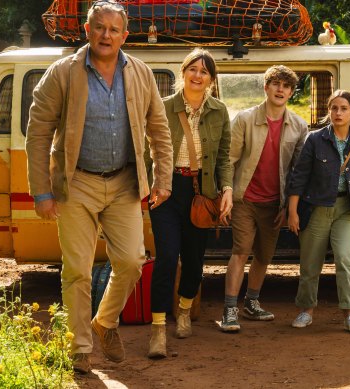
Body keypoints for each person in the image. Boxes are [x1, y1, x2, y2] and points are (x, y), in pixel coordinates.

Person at [25, 1, 173, 374]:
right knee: (77, 269)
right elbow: (38, 132)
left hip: (124, 182)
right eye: (99, 27)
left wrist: (163, 178)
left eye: (113, 29)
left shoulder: (140, 72)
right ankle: (80, 348)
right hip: (76, 185)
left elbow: (159, 129)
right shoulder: (63, 72)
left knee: (131, 262)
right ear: (87, 30)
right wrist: (42, 191)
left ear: (125, 35)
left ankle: (104, 322)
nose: (106, 35)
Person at [147, 48, 232, 358]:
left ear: (211, 79)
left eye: (204, 71)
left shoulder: (219, 111)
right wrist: (150, 186)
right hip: (166, 191)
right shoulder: (162, 107)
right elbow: (148, 150)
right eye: (192, 69)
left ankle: (184, 310)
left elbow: (224, 155)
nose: (198, 75)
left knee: (195, 261)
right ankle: (158, 329)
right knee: (167, 258)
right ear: (182, 72)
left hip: (202, 192)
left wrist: (227, 189)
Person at [219, 65, 308, 332]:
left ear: (291, 92)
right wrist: (226, 195)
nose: (280, 89)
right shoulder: (245, 119)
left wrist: (288, 205)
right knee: (241, 250)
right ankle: (229, 310)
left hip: (274, 203)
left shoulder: (299, 126)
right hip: (244, 198)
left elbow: (297, 172)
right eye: (275, 84)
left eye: (286, 85)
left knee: (264, 255)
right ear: (266, 87)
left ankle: (251, 303)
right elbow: (229, 160)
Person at [287, 90, 350, 332]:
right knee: (310, 261)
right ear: (329, 111)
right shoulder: (315, 140)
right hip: (316, 207)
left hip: (348, 209)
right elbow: (299, 177)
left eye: (344, 108)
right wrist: (292, 212)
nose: (338, 113)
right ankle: (306, 310)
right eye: (334, 108)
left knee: (345, 259)